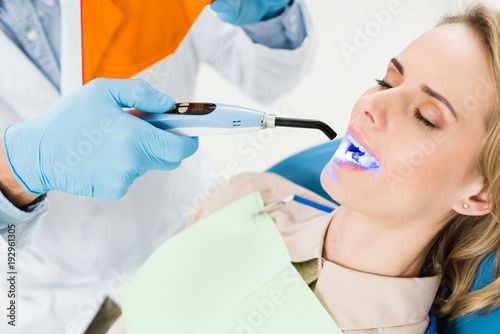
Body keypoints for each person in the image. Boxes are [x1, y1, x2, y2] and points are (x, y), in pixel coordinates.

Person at [109, 3, 500, 333]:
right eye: (387, 81)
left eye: (425, 117)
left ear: (480, 193)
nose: (372, 106)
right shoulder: (251, 195)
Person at [0, 0, 315, 333]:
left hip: (188, 237)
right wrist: (14, 171)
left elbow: (268, 78)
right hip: (42, 303)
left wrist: (270, 15)